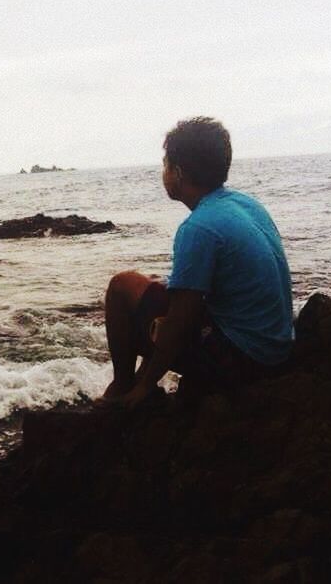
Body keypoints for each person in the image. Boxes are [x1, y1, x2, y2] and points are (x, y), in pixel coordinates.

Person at [97, 117, 294, 409]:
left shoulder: (198, 227)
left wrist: (146, 387)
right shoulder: (245, 204)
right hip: (278, 347)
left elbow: (179, 322)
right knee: (160, 293)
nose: (163, 171)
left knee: (121, 287)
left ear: (177, 173)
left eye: (165, 164)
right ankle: (135, 382)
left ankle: (126, 388)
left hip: (246, 361)